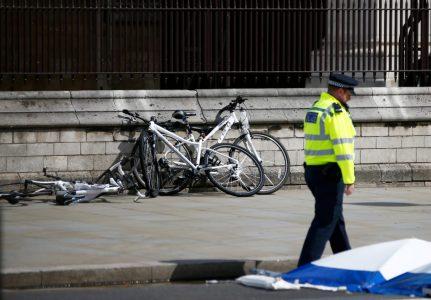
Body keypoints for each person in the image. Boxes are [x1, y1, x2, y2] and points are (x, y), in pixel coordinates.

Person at [297, 73, 358, 267]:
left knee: (335, 220)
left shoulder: (316, 107)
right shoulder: (336, 112)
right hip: (330, 174)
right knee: (325, 221)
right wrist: (349, 179)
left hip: (313, 172)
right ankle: (305, 267)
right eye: (349, 93)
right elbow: (343, 149)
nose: (350, 97)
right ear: (340, 91)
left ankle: (347, 262)